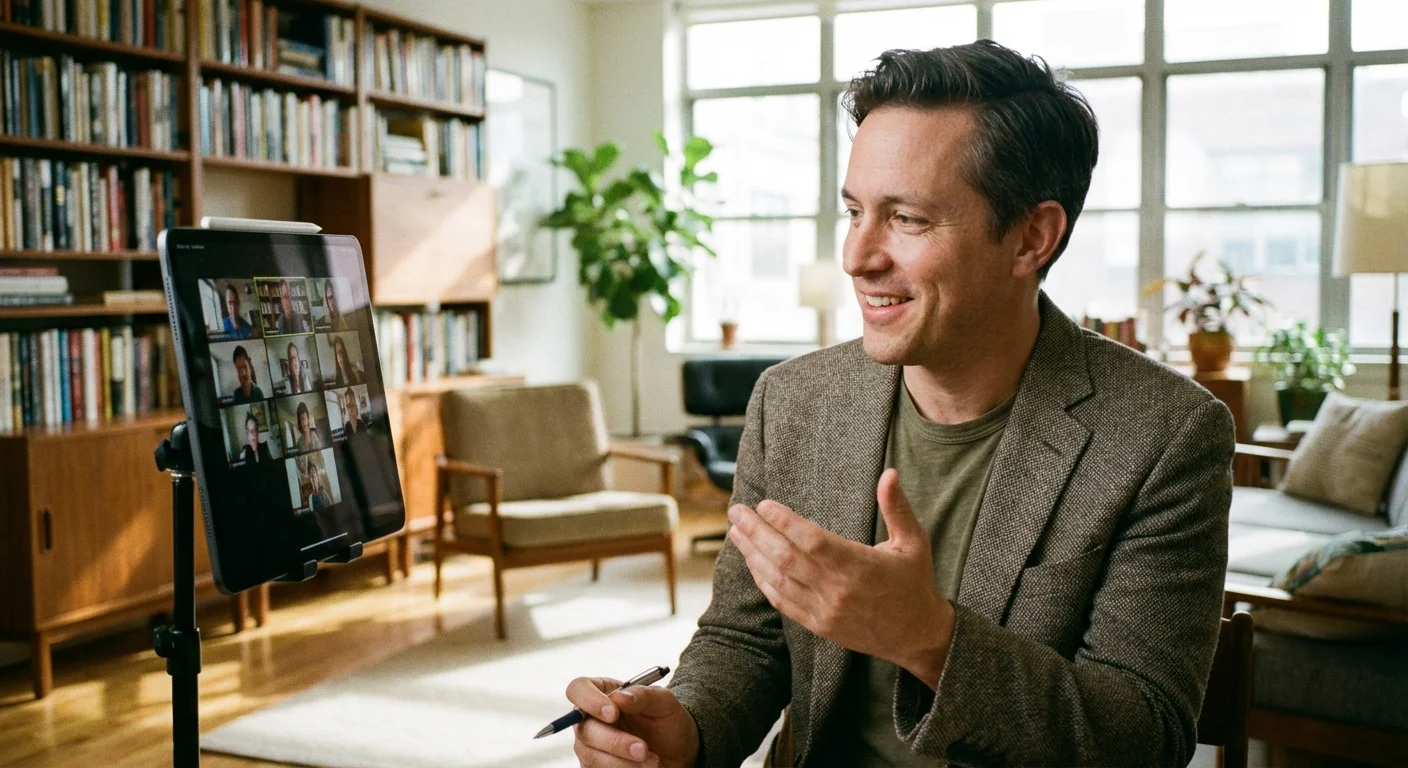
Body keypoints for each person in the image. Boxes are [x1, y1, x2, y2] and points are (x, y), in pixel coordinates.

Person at [565, 41, 1234, 768]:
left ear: (1032, 238)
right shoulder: (791, 402)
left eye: (907, 219)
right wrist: (684, 731)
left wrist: (930, 640)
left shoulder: (1164, 434)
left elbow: (1144, 738)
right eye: (855, 210)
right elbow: (747, 639)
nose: (857, 256)